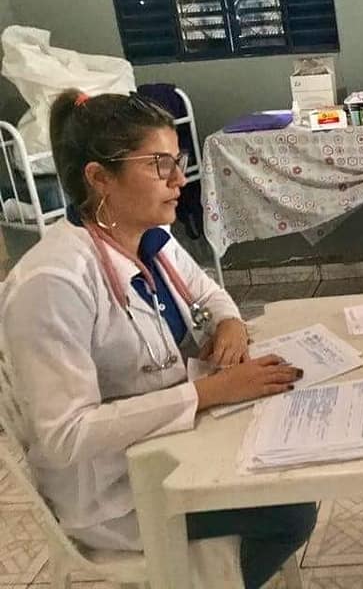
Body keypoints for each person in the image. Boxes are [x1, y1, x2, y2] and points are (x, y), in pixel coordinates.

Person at [0, 90, 315, 589]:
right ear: (100, 178)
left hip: (172, 444)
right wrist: (207, 393)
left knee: (291, 469)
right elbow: (66, 436)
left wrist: (230, 324)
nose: (178, 180)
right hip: (116, 489)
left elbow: (209, 294)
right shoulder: (53, 283)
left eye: (177, 161)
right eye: (159, 165)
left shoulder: (150, 239)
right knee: (288, 510)